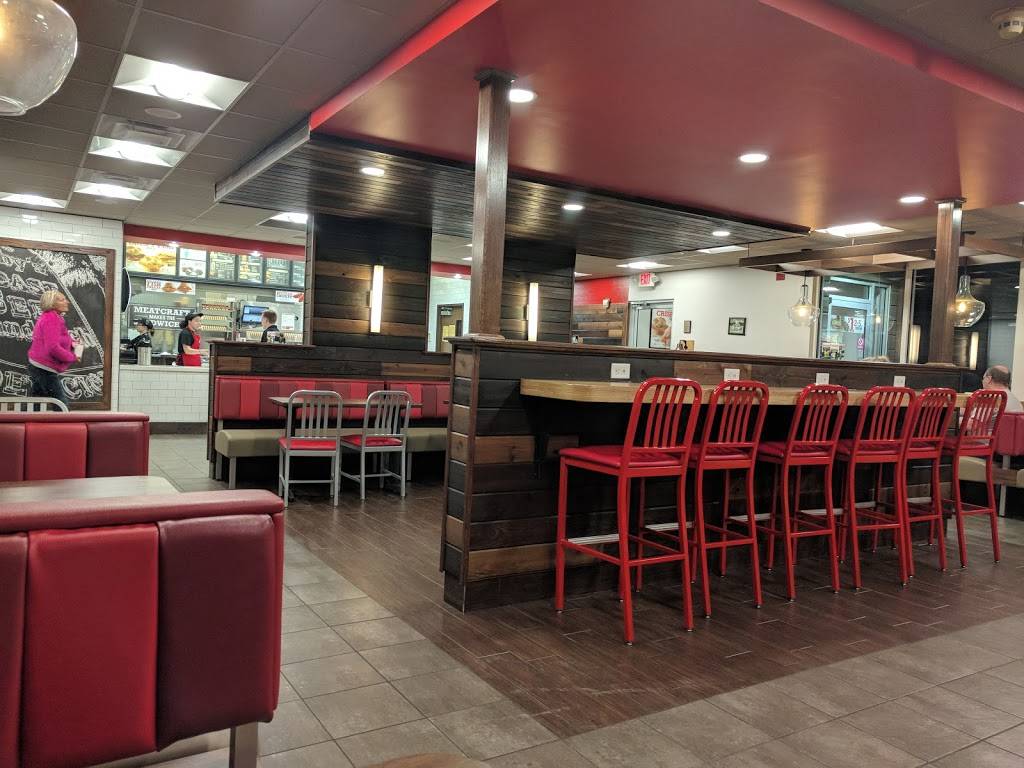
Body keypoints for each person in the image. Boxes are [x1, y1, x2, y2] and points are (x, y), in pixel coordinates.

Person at [27, 289, 80, 406]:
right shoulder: (52, 318)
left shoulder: (51, 317)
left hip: (39, 367)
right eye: (62, 300)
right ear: (52, 303)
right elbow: (53, 347)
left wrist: (72, 344)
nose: (67, 302)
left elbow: (57, 339)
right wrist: (72, 357)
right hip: (43, 369)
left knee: (35, 404)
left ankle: (26, 417)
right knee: (61, 404)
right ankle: (65, 420)